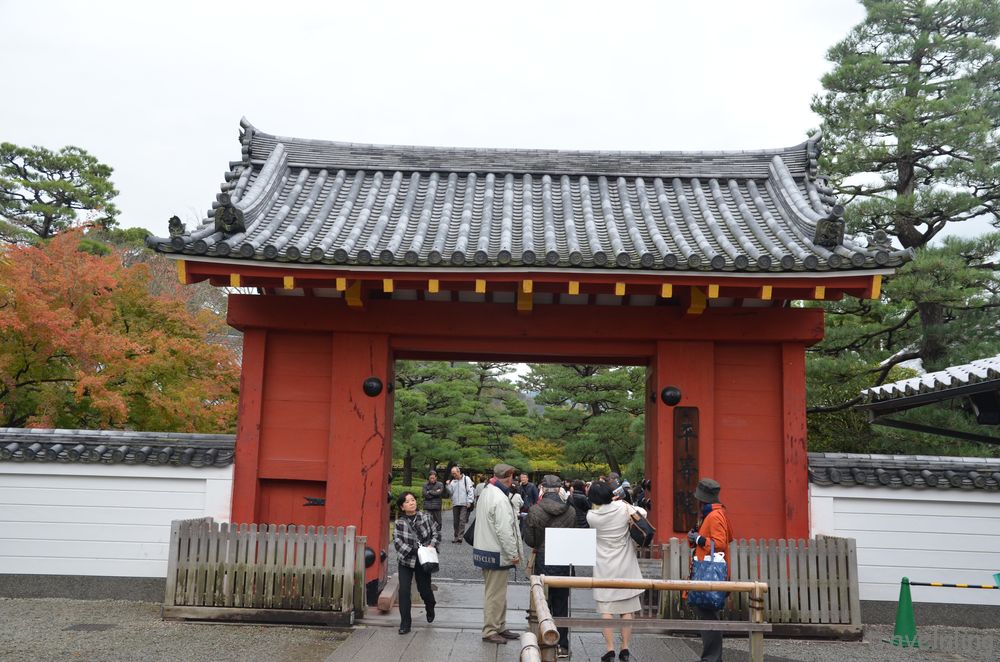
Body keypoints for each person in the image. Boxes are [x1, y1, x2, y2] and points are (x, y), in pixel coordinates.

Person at [587, 480, 646, 662]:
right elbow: (642, 513)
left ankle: (610, 648)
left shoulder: (592, 516)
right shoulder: (622, 507)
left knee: (606, 608)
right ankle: (625, 648)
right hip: (626, 562)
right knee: (626, 609)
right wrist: (626, 503)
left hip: (604, 563)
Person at [523, 475, 576, 659]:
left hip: (543, 559)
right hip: (563, 560)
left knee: (540, 602)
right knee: (561, 604)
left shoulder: (535, 510)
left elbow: (530, 540)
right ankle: (562, 645)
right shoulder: (570, 511)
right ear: (560, 489)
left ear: (543, 489)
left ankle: (543, 640)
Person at [472, 462, 523, 645]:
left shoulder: (487, 491)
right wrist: (513, 553)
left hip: (485, 548)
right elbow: (504, 531)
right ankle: (491, 629)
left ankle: (499, 625)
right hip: (496, 551)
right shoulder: (500, 498)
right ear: (509, 477)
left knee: (497, 592)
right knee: (495, 593)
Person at [687, 478, 735, 662]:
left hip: (709, 573)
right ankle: (713, 658)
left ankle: (711, 658)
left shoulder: (714, 516)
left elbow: (721, 543)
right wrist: (696, 537)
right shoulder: (715, 513)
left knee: (708, 615)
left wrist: (699, 539)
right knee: (708, 613)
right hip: (709, 570)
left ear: (702, 499)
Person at [393, 491, 440, 635]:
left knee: (424, 589)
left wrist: (431, 546)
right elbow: (397, 541)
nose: (411, 503)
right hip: (406, 560)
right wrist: (412, 550)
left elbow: (436, 533)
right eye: (407, 502)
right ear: (402, 506)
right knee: (404, 591)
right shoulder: (399, 523)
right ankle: (405, 623)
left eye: (412, 500)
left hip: (423, 559)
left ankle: (430, 605)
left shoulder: (426, 517)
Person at [446, 465, 475, 543]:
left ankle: (460, 537)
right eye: (452, 474)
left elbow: (470, 491)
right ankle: (456, 536)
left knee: (462, 520)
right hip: (455, 503)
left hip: (464, 503)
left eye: (455, 473)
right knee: (456, 521)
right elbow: (450, 492)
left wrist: (469, 501)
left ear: (459, 472)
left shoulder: (466, 479)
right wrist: (448, 485)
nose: (453, 475)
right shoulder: (453, 481)